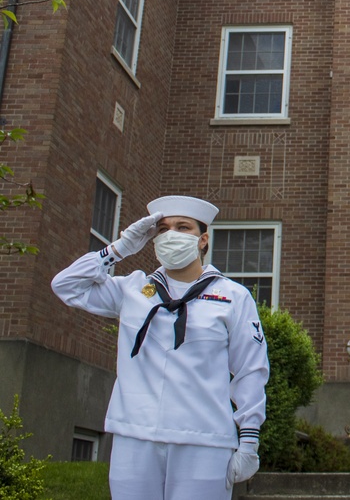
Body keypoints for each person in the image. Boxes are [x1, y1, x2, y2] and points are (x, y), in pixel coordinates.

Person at [51, 196, 268, 500]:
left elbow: (250, 370)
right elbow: (66, 285)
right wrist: (119, 248)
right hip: (135, 434)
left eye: (183, 227)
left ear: (203, 240)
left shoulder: (233, 296)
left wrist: (249, 439)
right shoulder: (133, 289)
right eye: (163, 229)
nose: (171, 235)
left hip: (204, 440)